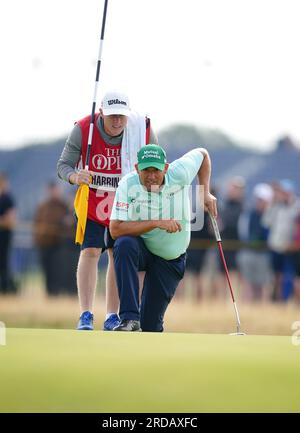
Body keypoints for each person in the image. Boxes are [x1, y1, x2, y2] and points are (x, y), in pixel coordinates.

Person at [57, 91, 158, 330]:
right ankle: (85, 314)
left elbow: (155, 162)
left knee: (115, 254)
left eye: (122, 116)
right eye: (112, 116)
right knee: (90, 250)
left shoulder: (140, 128)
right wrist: (74, 176)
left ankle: (112, 315)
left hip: (125, 203)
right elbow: (63, 165)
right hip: (93, 200)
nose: (117, 122)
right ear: (101, 113)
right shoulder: (84, 128)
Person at [109, 144, 217, 332]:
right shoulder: (128, 184)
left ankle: (145, 329)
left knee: (151, 326)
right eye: (146, 170)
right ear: (137, 169)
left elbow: (203, 154)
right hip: (142, 249)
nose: (151, 176)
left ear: (165, 168)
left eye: (156, 170)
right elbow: (115, 229)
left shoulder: (180, 172)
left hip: (170, 259)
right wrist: (156, 222)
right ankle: (129, 318)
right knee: (124, 244)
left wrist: (204, 192)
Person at [33, 181, 77, 296]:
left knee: (58, 271)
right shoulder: (43, 207)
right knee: (47, 271)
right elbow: (36, 223)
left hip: (59, 245)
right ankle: (49, 294)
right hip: (44, 244)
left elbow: (67, 223)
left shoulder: (63, 206)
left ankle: (56, 293)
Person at [0, 173, 17, 294]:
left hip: (5, 236)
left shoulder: (8, 198)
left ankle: (6, 287)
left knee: (4, 262)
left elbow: (11, 219)